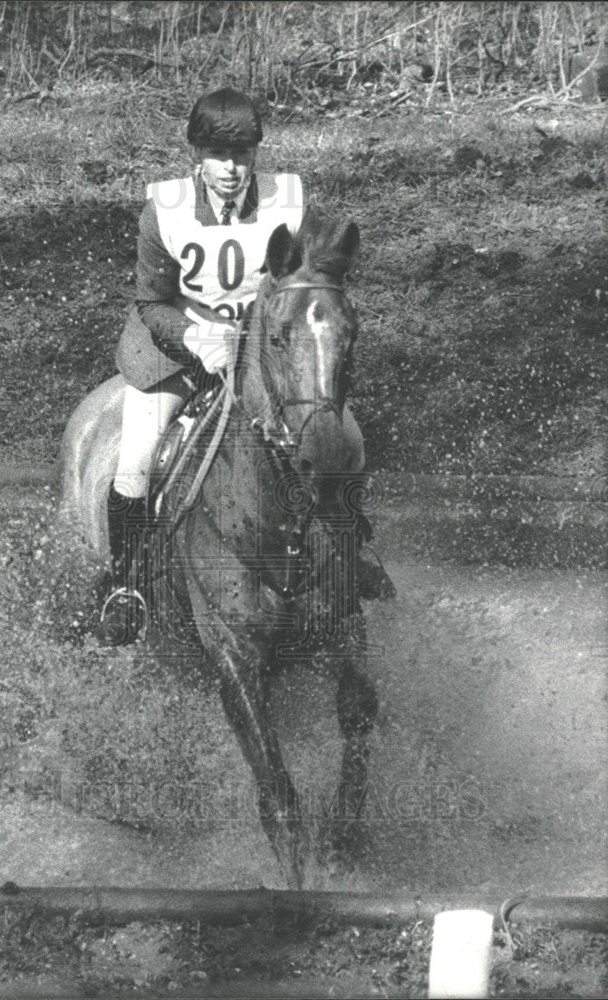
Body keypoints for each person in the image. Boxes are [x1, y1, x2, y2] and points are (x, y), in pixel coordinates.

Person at [102, 87, 370, 644]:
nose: (230, 169)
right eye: (218, 156)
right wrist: (197, 337)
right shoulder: (164, 209)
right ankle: (125, 585)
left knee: (345, 439)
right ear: (196, 157)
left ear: (256, 155)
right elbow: (150, 302)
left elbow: (311, 279)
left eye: (242, 155)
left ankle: (349, 557)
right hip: (174, 353)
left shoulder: (289, 202)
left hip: (260, 357)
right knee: (134, 464)